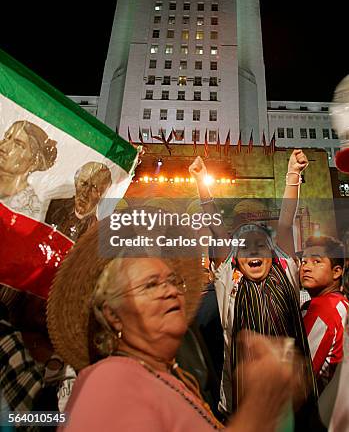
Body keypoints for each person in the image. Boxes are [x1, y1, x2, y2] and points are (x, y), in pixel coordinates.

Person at [47, 222, 295, 432]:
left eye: (173, 280)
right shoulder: (108, 381)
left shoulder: (173, 374)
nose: (170, 291)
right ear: (113, 314)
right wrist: (260, 406)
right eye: (151, 285)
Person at [189, 151, 320, 429]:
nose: (253, 251)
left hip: (292, 407)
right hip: (241, 408)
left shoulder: (287, 270)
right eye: (245, 247)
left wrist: (293, 174)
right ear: (234, 258)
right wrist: (201, 179)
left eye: (260, 245)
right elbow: (214, 223)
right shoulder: (229, 280)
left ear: (273, 252)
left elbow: (285, 221)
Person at [300, 235, 348, 394]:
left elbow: (300, 378)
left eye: (316, 261)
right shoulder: (341, 304)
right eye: (304, 262)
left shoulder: (324, 308)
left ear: (336, 272)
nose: (306, 267)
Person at [0, 120, 57, 219]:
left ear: (34, 161)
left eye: (18, 145)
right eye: (6, 138)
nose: (3, 147)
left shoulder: (29, 210)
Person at [45, 161, 112, 241]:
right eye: (84, 183)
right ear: (76, 183)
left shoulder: (95, 231)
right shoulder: (55, 206)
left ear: (102, 195)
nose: (85, 193)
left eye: (94, 188)